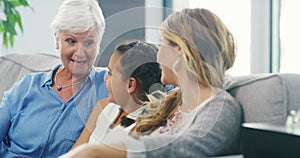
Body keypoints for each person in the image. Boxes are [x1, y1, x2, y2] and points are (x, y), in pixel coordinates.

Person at [60, 8, 242, 158]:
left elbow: (187, 149)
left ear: (179, 47)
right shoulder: (170, 104)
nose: (157, 56)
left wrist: (99, 151)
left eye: (161, 44)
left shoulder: (220, 106)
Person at [0, 0, 107, 157]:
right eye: (71, 41)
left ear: (98, 44)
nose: (80, 52)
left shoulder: (107, 86)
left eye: (89, 42)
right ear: (57, 40)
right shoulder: (27, 86)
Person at [71, 40, 163, 148]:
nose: (105, 79)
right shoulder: (103, 107)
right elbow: (75, 152)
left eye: (110, 73)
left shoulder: (146, 129)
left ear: (130, 84)